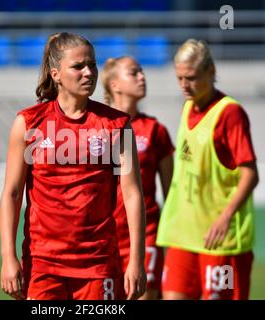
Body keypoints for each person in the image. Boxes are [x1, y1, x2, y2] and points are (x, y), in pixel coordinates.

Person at [0, 32, 146, 300]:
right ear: (55, 74)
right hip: (43, 264)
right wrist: (8, 258)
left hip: (98, 263)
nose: (88, 72)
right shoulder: (29, 124)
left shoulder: (117, 125)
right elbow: (11, 194)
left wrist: (136, 260)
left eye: (92, 64)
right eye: (78, 66)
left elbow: (133, 194)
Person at [156, 39, 259, 300]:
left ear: (211, 71)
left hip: (219, 240)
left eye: (190, 78)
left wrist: (225, 217)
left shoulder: (230, 113)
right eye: (179, 78)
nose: (184, 85)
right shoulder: (187, 107)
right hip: (183, 234)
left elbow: (250, 173)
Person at [101, 56, 174, 300]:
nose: (142, 77)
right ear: (114, 84)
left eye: (142, 71)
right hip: (103, 237)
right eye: (134, 73)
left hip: (145, 236)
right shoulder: (97, 128)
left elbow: (171, 192)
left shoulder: (156, 130)